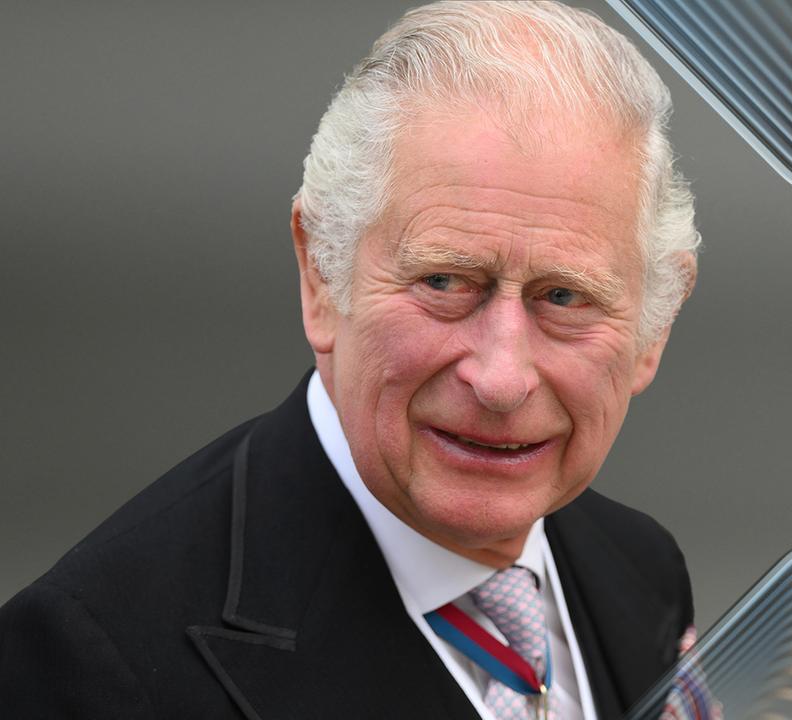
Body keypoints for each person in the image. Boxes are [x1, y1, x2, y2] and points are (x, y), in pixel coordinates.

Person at [0, 2, 701, 718]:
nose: (500, 379)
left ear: (654, 328)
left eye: (564, 296)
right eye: (444, 282)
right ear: (321, 276)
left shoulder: (643, 570)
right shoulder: (93, 664)